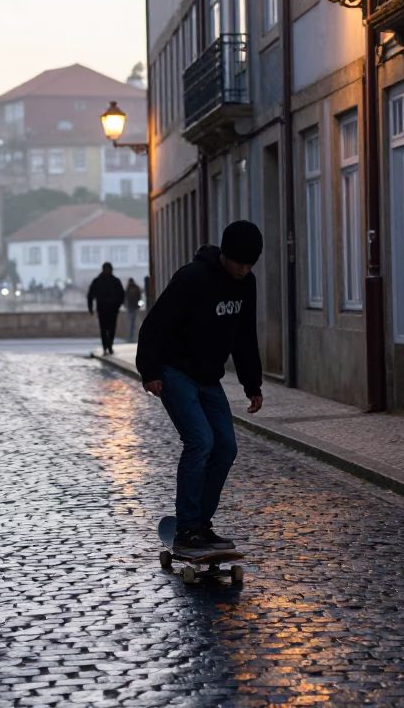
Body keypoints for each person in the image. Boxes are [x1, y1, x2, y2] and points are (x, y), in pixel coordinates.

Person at [137, 220, 263, 556]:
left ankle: (200, 527)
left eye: (250, 264)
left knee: (226, 447)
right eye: (239, 263)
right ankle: (186, 528)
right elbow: (155, 323)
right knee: (200, 440)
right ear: (225, 255)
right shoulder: (192, 278)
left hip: (209, 376)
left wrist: (253, 383)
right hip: (175, 370)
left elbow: (245, 335)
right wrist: (149, 369)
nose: (243, 270)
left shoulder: (246, 284)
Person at [87, 262, 125, 355]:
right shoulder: (99, 281)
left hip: (111, 308)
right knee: (104, 328)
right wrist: (90, 307)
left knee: (111, 328)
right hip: (103, 308)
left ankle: (109, 345)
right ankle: (106, 346)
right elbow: (90, 295)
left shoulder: (114, 281)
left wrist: (118, 304)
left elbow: (121, 295)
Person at [124, 278, 142, 343]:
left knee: (132, 323)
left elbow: (139, 298)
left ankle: (132, 337)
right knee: (132, 323)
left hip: (133, 307)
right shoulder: (131, 289)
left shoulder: (130, 289)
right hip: (132, 307)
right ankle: (132, 337)